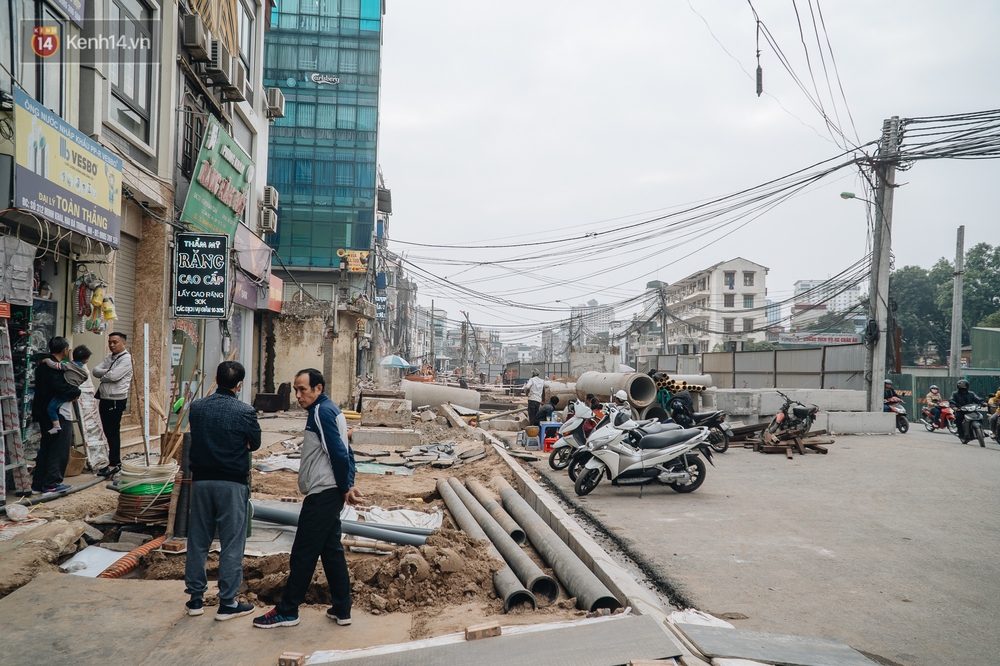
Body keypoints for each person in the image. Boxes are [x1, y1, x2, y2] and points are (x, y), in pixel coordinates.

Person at [254, 369, 362, 629]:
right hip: (329, 491)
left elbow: (338, 451)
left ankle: (287, 610)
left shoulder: (320, 412)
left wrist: (347, 485)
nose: (298, 395)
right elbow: (346, 449)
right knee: (332, 551)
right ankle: (342, 608)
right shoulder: (331, 409)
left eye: (303, 389)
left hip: (323, 493)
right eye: (295, 389)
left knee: (303, 553)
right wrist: (348, 482)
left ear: (318, 389)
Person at [184, 361, 261, 621]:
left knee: (197, 541)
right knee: (231, 544)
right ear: (239, 385)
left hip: (202, 482)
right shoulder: (245, 411)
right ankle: (227, 602)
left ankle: (195, 599)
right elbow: (255, 444)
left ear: (215, 380)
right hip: (232, 484)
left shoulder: (197, 407)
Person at [31, 337, 82, 494]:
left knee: (46, 447)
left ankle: (38, 484)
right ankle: (52, 483)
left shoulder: (43, 365)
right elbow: (61, 387)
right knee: (58, 449)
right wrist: (76, 392)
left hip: (43, 412)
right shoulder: (55, 368)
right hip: (57, 415)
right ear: (65, 350)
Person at [92, 332, 132, 476]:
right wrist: (107, 372)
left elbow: (114, 376)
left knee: (113, 432)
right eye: (110, 342)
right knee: (107, 431)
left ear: (123, 343)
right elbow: (95, 371)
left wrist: (106, 374)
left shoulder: (126, 359)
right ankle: (112, 461)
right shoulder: (110, 357)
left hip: (116, 399)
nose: (111, 345)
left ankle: (114, 463)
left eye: (115, 342)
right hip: (105, 398)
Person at [40, 347, 90, 434]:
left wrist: (46, 360)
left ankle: (56, 426)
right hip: (73, 392)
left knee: (51, 408)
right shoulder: (84, 373)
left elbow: (54, 365)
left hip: (64, 392)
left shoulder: (67, 366)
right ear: (86, 360)